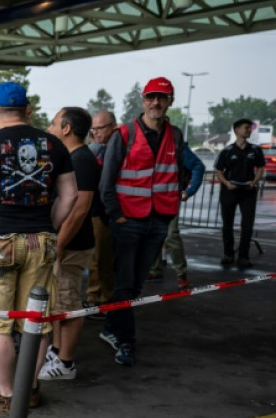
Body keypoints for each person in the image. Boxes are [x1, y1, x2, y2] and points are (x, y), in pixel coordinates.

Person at [0, 82, 76, 413]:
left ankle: (8, 395)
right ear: (28, 111)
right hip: (40, 241)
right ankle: (31, 389)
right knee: (34, 321)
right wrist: (49, 225)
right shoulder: (54, 145)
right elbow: (70, 195)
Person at [98, 76, 186, 367]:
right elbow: (106, 181)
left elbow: (178, 172)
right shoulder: (124, 134)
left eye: (161, 97)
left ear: (170, 101)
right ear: (142, 101)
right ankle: (125, 341)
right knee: (124, 284)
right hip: (128, 221)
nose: (155, 103)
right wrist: (117, 216)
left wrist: (170, 210)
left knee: (135, 285)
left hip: (158, 221)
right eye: (150, 97)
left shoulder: (175, 135)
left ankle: (111, 327)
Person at [40, 107, 97, 381]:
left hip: (72, 246)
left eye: (53, 124)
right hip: (65, 244)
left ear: (66, 129)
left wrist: (58, 247)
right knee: (59, 301)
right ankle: (56, 349)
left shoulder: (82, 160)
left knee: (69, 302)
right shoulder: (72, 157)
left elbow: (80, 208)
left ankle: (65, 362)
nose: (49, 129)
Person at [146, 142, 205, 287]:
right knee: (151, 233)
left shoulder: (176, 145)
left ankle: (181, 274)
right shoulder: (147, 142)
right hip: (150, 196)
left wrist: (189, 191)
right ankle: (155, 269)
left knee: (171, 235)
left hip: (170, 197)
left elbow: (198, 166)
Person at [215, 118, 265, 269]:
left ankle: (244, 256)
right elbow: (218, 171)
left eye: (250, 128)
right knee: (227, 224)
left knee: (247, 225)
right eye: (245, 128)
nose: (248, 130)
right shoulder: (227, 150)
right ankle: (228, 254)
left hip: (248, 191)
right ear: (237, 130)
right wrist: (226, 183)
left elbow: (260, 168)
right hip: (230, 190)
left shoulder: (255, 150)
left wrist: (254, 181)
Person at [85, 110, 117, 315]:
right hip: (98, 211)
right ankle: (97, 297)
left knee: (102, 259)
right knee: (97, 258)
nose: (96, 132)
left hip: (105, 213)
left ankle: (101, 300)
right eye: (93, 129)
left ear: (113, 126)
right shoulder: (103, 149)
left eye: (100, 128)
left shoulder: (114, 150)